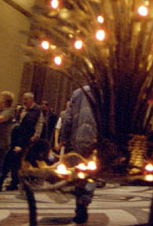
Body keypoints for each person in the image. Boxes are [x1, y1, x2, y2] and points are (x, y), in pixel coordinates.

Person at [60, 86, 97, 224]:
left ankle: (79, 205)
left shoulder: (77, 92)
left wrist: (63, 137)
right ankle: (85, 200)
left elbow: (68, 117)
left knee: (79, 173)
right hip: (95, 139)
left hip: (77, 138)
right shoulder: (104, 91)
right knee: (91, 174)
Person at [7, 92, 42, 191]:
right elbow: (17, 121)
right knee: (15, 160)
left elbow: (39, 124)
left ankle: (29, 182)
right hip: (19, 137)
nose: (24, 101)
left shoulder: (37, 110)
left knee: (27, 160)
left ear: (31, 100)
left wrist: (36, 136)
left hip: (29, 139)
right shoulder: (21, 109)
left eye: (26, 99)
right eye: (23, 99)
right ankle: (14, 182)